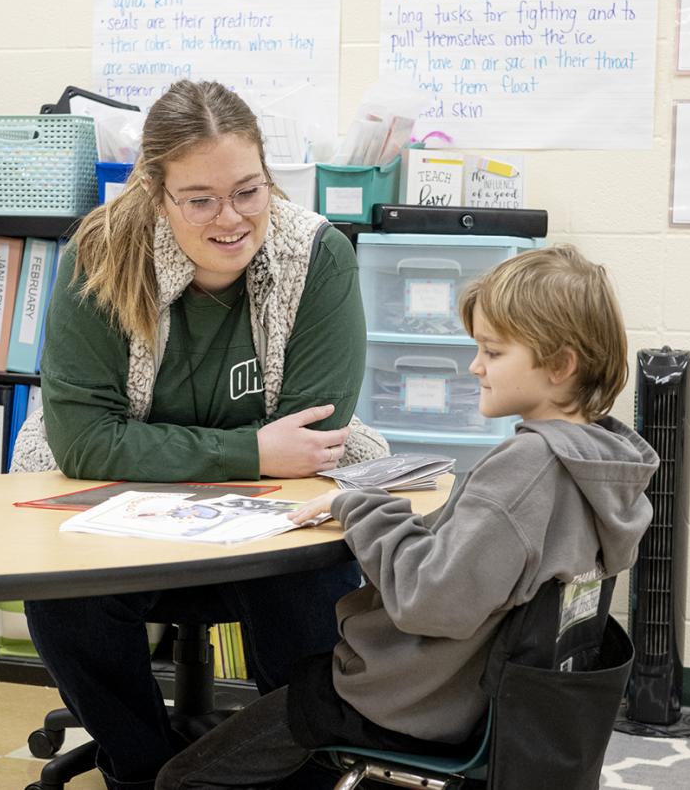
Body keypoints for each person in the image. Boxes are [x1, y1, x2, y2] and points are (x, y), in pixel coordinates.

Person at [154, 244, 660, 790]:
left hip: (408, 702)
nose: (475, 366)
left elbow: (431, 600)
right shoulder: (602, 464)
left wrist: (359, 505)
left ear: (561, 365)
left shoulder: (528, 468)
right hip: (489, 706)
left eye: (492, 351)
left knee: (182, 779)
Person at [24, 79, 388, 790]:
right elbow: (85, 443)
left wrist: (156, 445)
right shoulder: (98, 257)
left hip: (272, 518)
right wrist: (249, 448)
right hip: (116, 514)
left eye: (249, 191)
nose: (231, 219)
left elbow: (311, 443)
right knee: (64, 599)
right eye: (200, 199)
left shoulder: (316, 258)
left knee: (311, 590)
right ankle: (147, 770)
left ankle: (297, 776)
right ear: (155, 192)